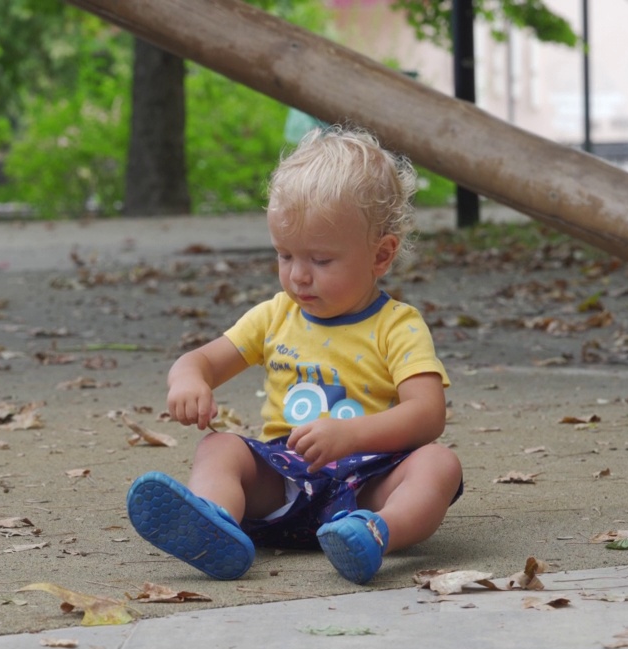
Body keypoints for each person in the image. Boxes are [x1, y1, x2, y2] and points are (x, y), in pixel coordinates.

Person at [127, 126, 463, 585]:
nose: (298, 277)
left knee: (438, 465)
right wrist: (188, 382)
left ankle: (376, 534)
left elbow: (428, 414)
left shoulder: (397, 326)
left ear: (381, 255)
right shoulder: (274, 316)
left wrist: (351, 435)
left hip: (367, 485)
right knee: (219, 447)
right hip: (285, 477)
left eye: (321, 261)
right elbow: (199, 361)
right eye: (285, 255)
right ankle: (215, 525)